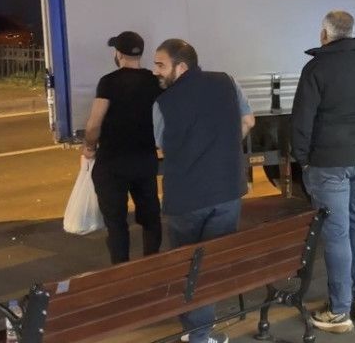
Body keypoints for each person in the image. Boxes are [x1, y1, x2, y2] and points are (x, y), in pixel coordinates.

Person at [152, 39, 256, 343]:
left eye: (160, 65)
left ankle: (198, 334)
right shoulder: (227, 82)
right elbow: (248, 120)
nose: (155, 71)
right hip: (227, 191)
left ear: (181, 67)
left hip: (186, 199)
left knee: (190, 267)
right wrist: (222, 149)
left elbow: (162, 147)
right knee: (211, 263)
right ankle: (199, 332)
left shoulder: (163, 103)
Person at [291, 11, 355, 334]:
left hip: (328, 162)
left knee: (337, 233)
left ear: (325, 34)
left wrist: (302, 159)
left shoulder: (316, 68)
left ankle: (340, 310)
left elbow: (302, 119)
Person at [82, 31, 163, 264]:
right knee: (150, 218)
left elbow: (94, 124)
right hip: (144, 160)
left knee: (116, 223)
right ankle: (152, 265)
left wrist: (89, 146)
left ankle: (122, 270)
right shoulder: (153, 81)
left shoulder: (109, 82)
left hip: (112, 163)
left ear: (118, 54)